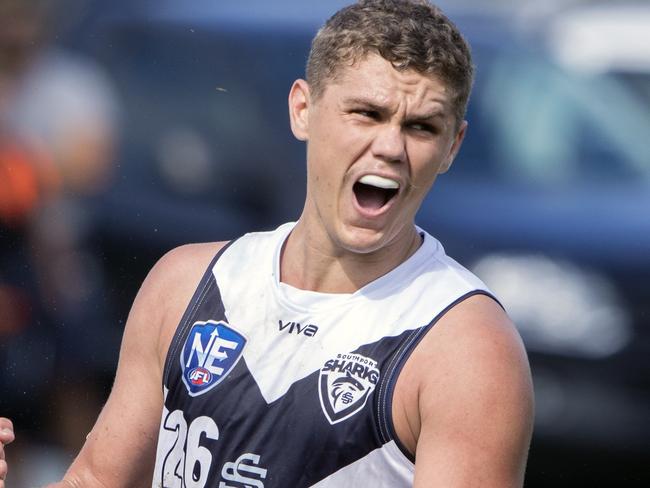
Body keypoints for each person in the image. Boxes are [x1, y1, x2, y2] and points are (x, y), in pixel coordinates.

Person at [0, 0, 534, 486]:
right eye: (367, 114)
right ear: (303, 110)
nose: (390, 146)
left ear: (452, 147)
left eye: (421, 127)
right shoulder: (187, 283)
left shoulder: (463, 347)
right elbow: (97, 481)